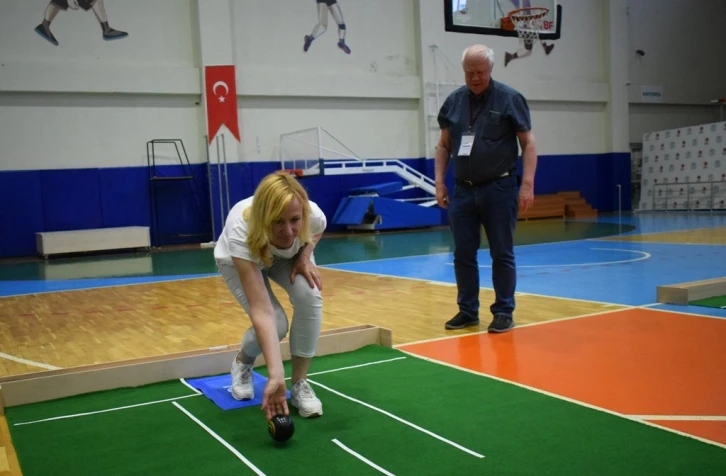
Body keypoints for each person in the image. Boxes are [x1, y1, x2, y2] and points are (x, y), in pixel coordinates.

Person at [435, 44, 537, 333]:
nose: (475, 78)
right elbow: (443, 146)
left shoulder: (510, 99)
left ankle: (503, 311)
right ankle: (467, 311)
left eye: (480, 72)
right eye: (469, 72)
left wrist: (527, 184)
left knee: (501, 253)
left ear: (490, 69)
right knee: (463, 254)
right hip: (463, 191)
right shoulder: (454, 102)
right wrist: (439, 182)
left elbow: (528, 144)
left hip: (500, 188)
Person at [214, 171, 327, 421]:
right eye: (278, 222)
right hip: (243, 258)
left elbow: (317, 230)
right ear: (264, 217)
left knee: (310, 296)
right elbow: (262, 310)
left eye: (295, 220)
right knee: (276, 323)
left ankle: (299, 383)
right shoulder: (241, 228)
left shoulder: (313, 214)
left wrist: (305, 256)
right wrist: (275, 374)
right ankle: (242, 362)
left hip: (286, 257)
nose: (288, 231)